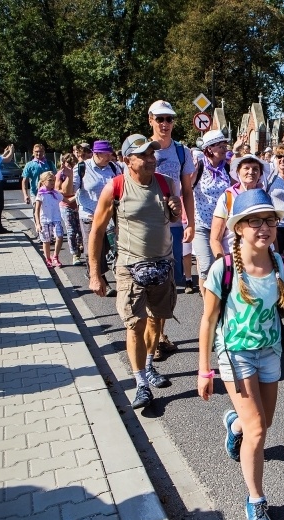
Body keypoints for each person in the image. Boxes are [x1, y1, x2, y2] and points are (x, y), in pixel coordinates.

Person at [197, 188, 284, 520]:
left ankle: (234, 425)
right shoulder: (224, 268)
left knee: (263, 424)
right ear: (240, 228)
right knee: (259, 430)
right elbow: (207, 320)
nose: (264, 228)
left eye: (270, 221)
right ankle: (256, 502)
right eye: (255, 221)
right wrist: (205, 370)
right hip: (235, 353)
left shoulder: (278, 263)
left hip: (270, 352)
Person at [89, 134, 180, 409]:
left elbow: (173, 219)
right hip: (130, 268)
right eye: (143, 155)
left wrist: (175, 211)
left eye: (152, 154)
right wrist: (95, 273)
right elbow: (97, 230)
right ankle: (140, 383)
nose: (151, 159)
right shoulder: (115, 187)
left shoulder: (166, 183)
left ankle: (149, 365)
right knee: (135, 325)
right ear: (127, 159)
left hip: (163, 265)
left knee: (156, 322)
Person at [148, 99, 197, 358]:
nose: (165, 124)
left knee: (167, 285)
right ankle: (151, 340)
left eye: (169, 119)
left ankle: (160, 334)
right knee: (149, 282)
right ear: (151, 120)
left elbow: (187, 190)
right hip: (148, 227)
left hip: (175, 225)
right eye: (160, 119)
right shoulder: (142, 150)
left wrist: (190, 222)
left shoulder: (181, 152)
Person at [75, 140, 121, 296]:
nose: (109, 157)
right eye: (106, 154)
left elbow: (122, 187)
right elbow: (70, 189)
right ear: (96, 153)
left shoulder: (114, 167)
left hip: (110, 214)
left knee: (110, 247)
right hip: (89, 214)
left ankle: (94, 271)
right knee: (93, 249)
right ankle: (100, 279)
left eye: (110, 153)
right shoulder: (82, 168)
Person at [191, 130, 233, 296]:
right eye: (220, 145)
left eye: (225, 145)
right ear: (209, 148)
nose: (224, 148)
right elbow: (185, 189)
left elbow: (236, 189)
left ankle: (220, 300)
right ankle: (208, 306)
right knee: (207, 266)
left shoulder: (228, 168)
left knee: (223, 265)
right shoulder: (199, 166)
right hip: (202, 225)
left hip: (224, 226)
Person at [210, 153, 265, 258]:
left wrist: (275, 257)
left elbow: (271, 230)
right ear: (238, 172)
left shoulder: (265, 197)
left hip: (262, 260)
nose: (251, 172)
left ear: (260, 174)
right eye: (246, 168)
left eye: (255, 169)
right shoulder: (227, 198)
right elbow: (215, 239)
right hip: (234, 258)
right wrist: (224, 265)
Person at [55, 153, 84, 265]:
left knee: (81, 231)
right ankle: (75, 254)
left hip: (78, 205)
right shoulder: (60, 174)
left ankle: (80, 247)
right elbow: (57, 190)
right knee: (71, 231)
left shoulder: (78, 173)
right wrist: (70, 193)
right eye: (68, 164)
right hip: (66, 205)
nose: (70, 167)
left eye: (73, 164)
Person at [34, 171, 64, 267]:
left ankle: (55, 256)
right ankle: (47, 258)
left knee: (59, 237)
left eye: (54, 180)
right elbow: (37, 210)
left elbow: (66, 200)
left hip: (56, 219)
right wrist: (38, 224)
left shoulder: (56, 193)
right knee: (46, 241)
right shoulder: (41, 194)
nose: (52, 182)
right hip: (45, 220)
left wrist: (77, 196)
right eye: (50, 180)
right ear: (43, 182)